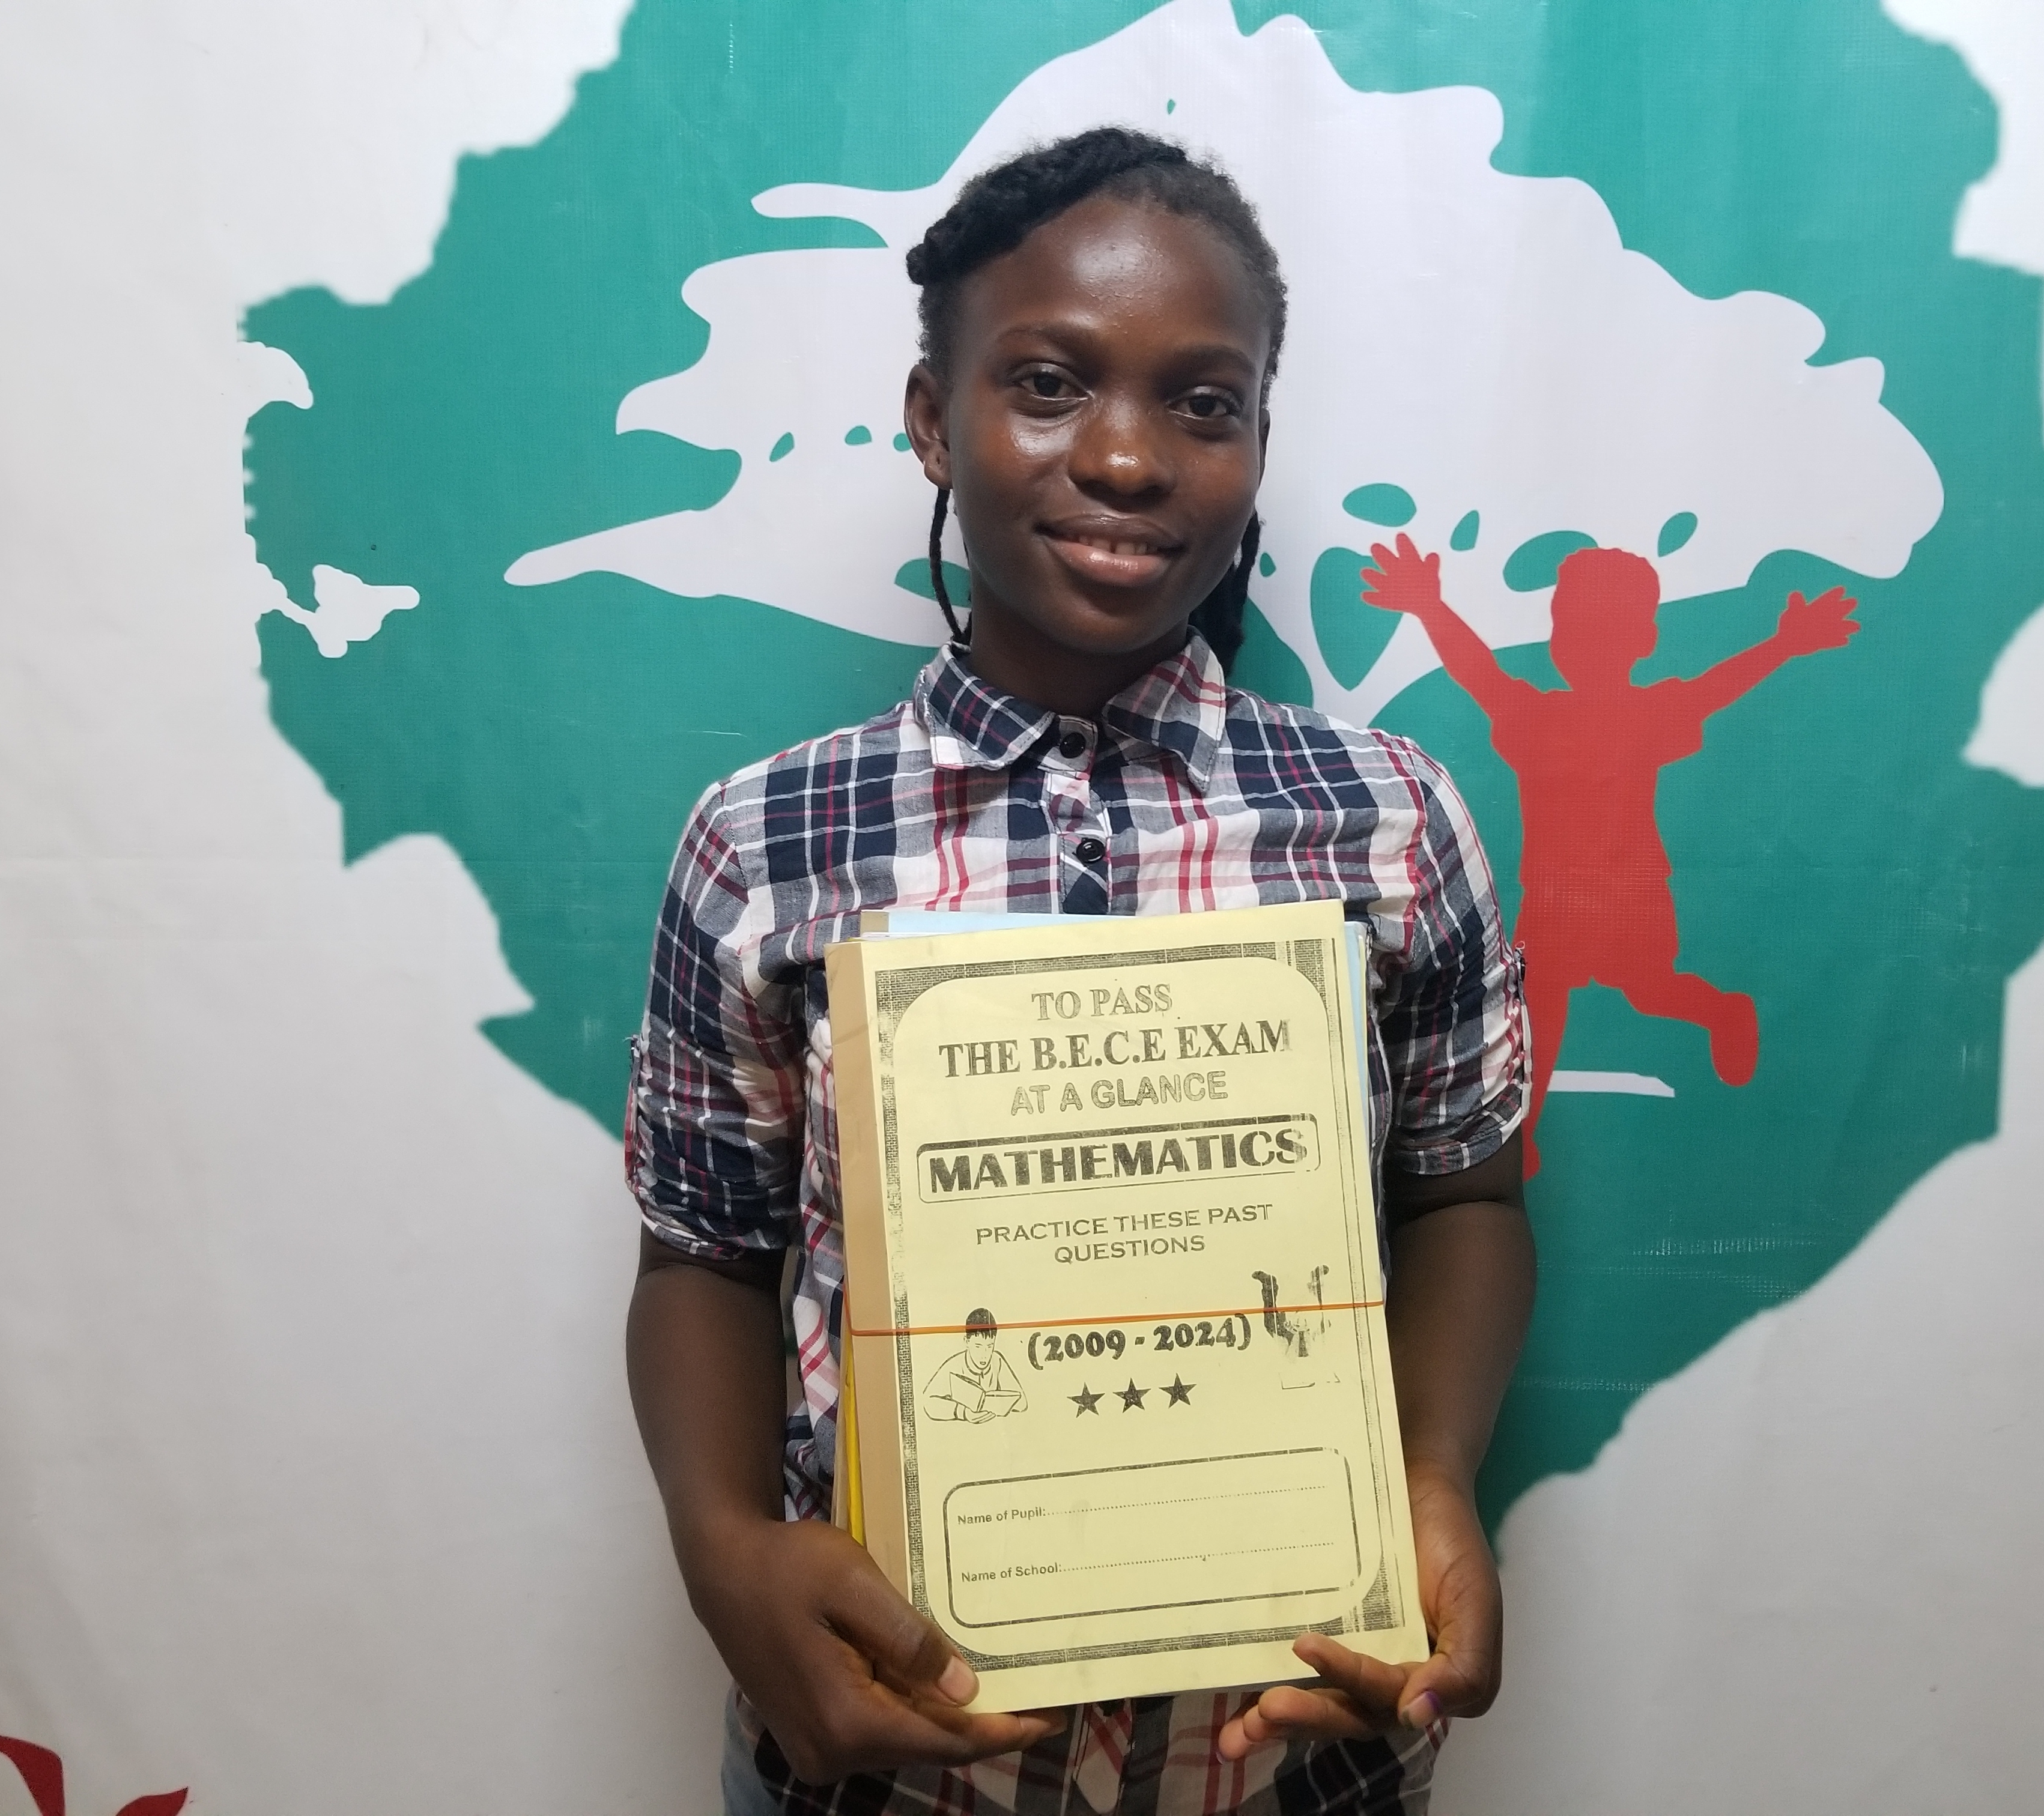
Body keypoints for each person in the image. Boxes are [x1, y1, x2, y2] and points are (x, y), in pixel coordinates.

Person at [625, 127, 1536, 1816]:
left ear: (1258, 444)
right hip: (888, 1775)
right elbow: (703, 1255)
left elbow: (1464, 1196)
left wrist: (1430, 1472)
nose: (1125, 456)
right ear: (931, 418)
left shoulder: (1395, 820)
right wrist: (722, 1553)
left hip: (1291, 1765)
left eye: (1205, 403)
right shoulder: (766, 842)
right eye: (1047, 385)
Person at [1362, 533, 1858, 1164]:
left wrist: (1784, 644)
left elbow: (1714, 689)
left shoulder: (1647, 713)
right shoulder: (1534, 714)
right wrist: (1429, 607)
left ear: (1644, 640)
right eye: (1569, 625)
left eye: (1607, 630)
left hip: (1631, 890)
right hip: (1554, 895)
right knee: (1540, 1004)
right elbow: (1476, 670)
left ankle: (1723, 1011)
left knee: (1650, 990)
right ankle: (1525, 1137)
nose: (1583, 642)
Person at [923, 1310, 1025, 1423]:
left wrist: (998, 1402)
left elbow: (1022, 1403)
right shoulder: (954, 1365)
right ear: (967, 1342)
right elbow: (928, 1403)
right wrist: (963, 1413)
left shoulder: (997, 1360)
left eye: (990, 1346)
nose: (984, 1355)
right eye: (978, 1347)